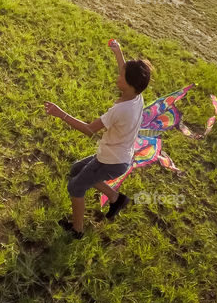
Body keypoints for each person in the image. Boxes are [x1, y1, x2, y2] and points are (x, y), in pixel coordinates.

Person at [44, 39, 152, 239]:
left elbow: (88, 130)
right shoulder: (137, 95)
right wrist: (118, 52)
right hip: (119, 156)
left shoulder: (119, 110)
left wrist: (61, 114)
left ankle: (77, 230)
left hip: (110, 161)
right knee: (77, 169)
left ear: (128, 83)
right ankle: (116, 198)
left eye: (121, 75)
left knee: (76, 186)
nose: (117, 75)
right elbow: (127, 73)